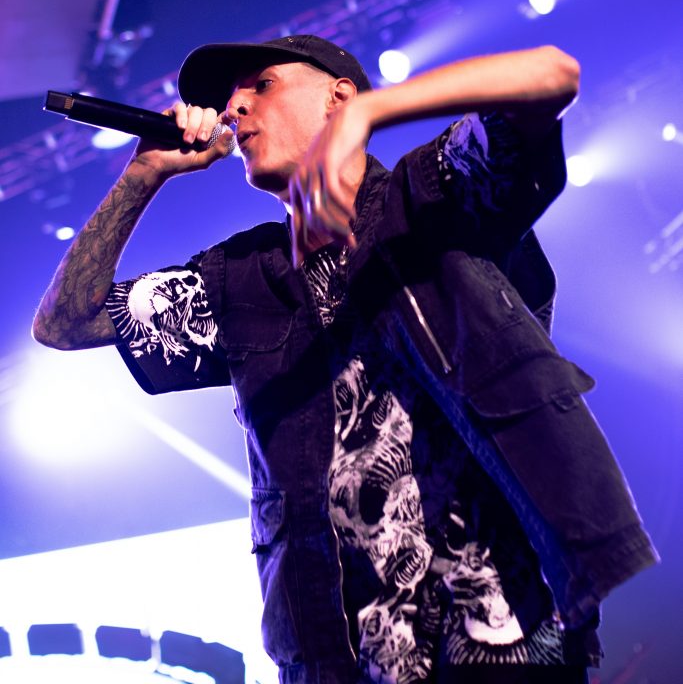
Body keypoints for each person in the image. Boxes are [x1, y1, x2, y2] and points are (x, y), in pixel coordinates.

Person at [33, 35, 657, 684]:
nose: (234, 108)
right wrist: (143, 174)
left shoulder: (434, 197)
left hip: (507, 642)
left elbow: (553, 75)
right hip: (341, 663)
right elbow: (65, 323)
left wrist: (372, 110)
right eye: (230, 97)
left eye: (261, 85)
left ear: (337, 96)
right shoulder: (238, 280)